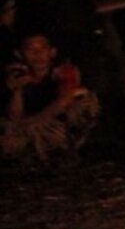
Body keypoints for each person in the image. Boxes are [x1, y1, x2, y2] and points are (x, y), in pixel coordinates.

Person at [2, 31, 100, 161]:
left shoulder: (63, 71)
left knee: (82, 102)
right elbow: (15, 116)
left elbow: (65, 100)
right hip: (31, 125)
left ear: (52, 52)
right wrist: (17, 90)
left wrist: (34, 122)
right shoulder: (18, 73)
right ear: (19, 54)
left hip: (55, 123)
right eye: (31, 50)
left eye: (43, 49)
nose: (38, 54)